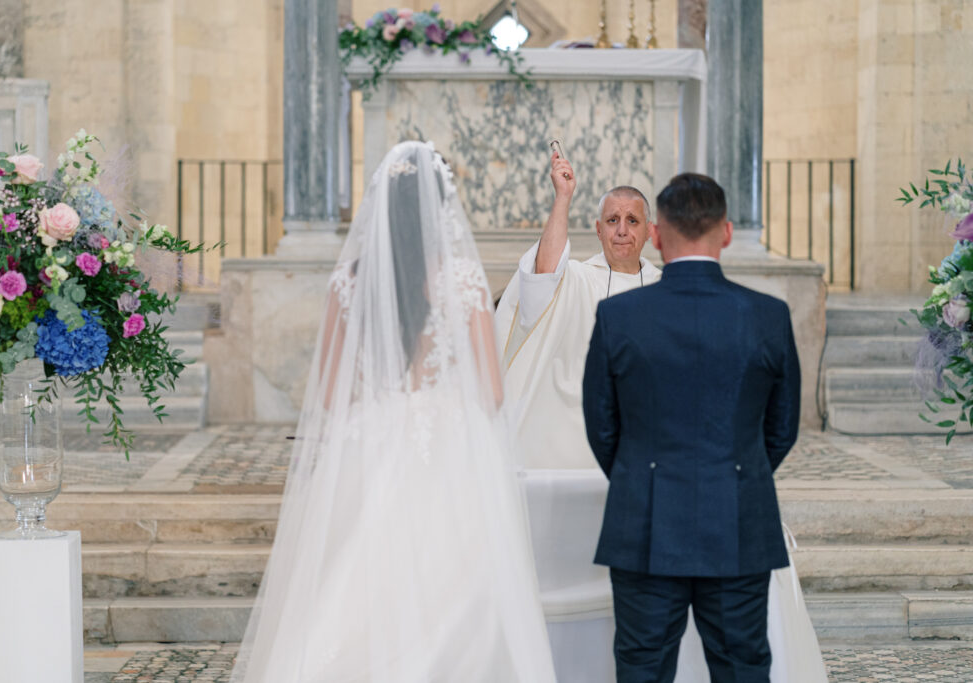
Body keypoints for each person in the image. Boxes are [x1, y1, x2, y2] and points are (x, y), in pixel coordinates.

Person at [230, 141, 557, 682]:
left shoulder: (351, 281)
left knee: (357, 581)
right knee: (461, 588)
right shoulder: (466, 281)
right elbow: (492, 393)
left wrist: (384, 395)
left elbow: (331, 396)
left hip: (373, 440)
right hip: (450, 446)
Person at [583, 173, 826, 682]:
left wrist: (641, 476)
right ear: (728, 232)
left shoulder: (617, 316)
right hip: (737, 518)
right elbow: (782, 428)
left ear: (655, 233)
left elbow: (602, 426)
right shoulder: (768, 315)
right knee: (742, 668)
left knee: (642, 668)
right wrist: (735, 472)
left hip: (645, 519)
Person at [494, 152, 661, 469]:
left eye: (632, 221)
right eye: (613, 221)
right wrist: (563, 197)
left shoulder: (663, 287)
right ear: (599, 230)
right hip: (575, 430)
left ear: (650, 232)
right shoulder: (577, 279)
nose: (622, 230)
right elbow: (544, 274)